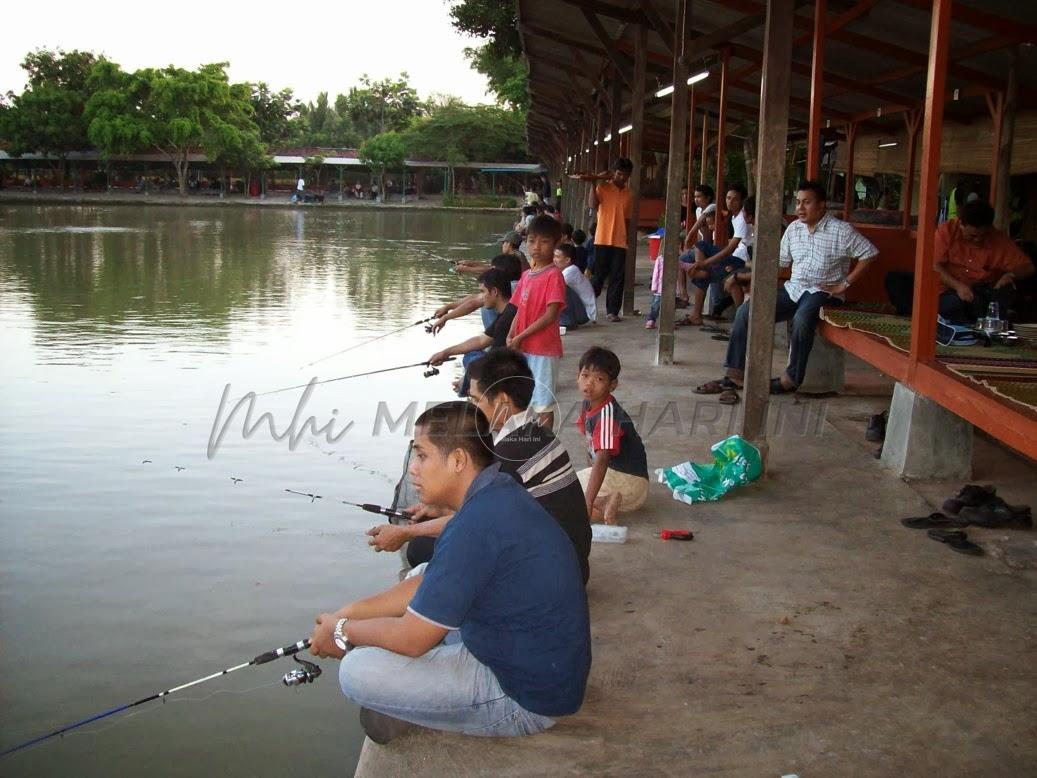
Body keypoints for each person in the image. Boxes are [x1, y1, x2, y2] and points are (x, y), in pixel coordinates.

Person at [311, 401, 590, 743]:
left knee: (356, 672)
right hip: (539, 663)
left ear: (458, 460)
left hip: (525, 696)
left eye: (422, 456)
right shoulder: (498, 490)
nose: (414, 469)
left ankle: (431, 711)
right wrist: (350, 612)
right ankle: (426, 695)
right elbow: (431, 581)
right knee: (425, 572)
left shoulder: (474, 526)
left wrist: (342, 631)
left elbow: (412, 640)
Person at [368, 349, 592, 584]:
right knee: (430, 529)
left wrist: (405, 532)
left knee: (419, 548)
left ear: (503, 401)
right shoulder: (535, 432)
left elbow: (474, 521)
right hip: (572, 562)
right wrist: (441, 509)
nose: (472, 407)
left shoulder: (510, 455)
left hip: (552, 576)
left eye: (476, 399)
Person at [694, 181, 879, 404]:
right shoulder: (794, 229)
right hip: (794, 289)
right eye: (798, 202)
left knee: (802, 319)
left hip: (823, 291)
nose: (800, 208)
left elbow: (869, 253)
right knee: (746, 311)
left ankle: (791, 378)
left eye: (807, 203)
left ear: (821, 206)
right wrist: (742, 274)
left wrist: (845, 283)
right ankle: (735, 374)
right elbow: (779, 263)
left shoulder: (841, 230)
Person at [576, 347, 649, 526]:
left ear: (612, 385)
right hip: (619, 479)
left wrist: (587, 501)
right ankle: (603, 501)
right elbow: (591, 447)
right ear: (577, 376)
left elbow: (601, 460)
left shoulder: (607, 415)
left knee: (565, 492)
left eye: (599, 379)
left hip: (630, 483)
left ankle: (595, 504)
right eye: (585, 375)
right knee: (563, 486)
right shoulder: (588, 405)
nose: (589, 384)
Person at [507, 214, 567, 429]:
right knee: (525, 400)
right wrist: (511, 333)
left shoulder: (554, 276)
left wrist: (521, 336)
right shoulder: (526, 276)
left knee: (543, 404)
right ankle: (530, 445)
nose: (536, 247)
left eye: (544, 242)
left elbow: (550, 316)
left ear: (556, 243)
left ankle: (545, 449)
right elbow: (519, 310)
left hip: (543, 350)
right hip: (523, 348)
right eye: (532, 241)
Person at [935, 200, 1034, 324]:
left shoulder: (997, 238)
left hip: (982, 296)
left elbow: (1028, 267)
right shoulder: (947, 231)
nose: (976, 240)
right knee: (953, 305)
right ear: (961, 224)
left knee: (1005, 298)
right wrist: (957, 286)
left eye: (981, 236)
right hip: (948, 292)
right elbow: (933, 265)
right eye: (971, 236)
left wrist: (1010, 275)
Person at [428, 268, 517, 397]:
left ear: (494, 292)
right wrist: (445, 353)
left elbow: (494, 359)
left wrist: (468, 377)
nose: (481, 297)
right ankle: (469, 389)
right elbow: (481, 341)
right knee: (471, 354)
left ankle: (470, 391)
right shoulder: (507, 312)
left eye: (483, 292)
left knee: (472, 361)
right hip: (504, 363)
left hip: (507, 369)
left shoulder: (507, 318)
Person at [680, 186, 752, 326]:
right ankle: (701, 272)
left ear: (742, 201)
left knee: (703, 254)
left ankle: (701, 272)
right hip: (735, 257)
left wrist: (705, 262)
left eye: (735, 199)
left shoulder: (742, 218)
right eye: (728, 198)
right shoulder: (734, 216)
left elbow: (730, 249)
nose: (730, 202)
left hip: (739, 259)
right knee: (701, 248)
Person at [577, 158, 634, 322]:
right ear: (614, 173)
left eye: (625, 175)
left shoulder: (629, 194)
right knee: (598, 275)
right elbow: (592, 204)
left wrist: (628, 239)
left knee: (617, 276)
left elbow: (628, 219)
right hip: (602, 238)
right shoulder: (603, 187)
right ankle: (585, 306)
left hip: (620, 241)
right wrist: (592, 183)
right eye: (619, 174)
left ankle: (612, 311)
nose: (622, 177)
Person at [432, 252, 524, 335]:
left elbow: (472, 303)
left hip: (497, 341)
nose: (490, 271)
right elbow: (474, 297)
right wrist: (448, 307)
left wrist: (445, 318)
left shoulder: (508, 287)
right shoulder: (517, 284)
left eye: (493, 270)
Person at [554, 243, 596, 328]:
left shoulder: (571, 271)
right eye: (554, 256)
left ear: (567, 260)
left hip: (584, 314)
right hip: (580, 310)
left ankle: (567, 321)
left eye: (557, 257)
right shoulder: (567, 270)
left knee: (559, 287)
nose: (554, 259)